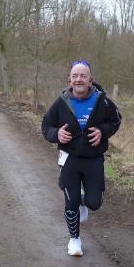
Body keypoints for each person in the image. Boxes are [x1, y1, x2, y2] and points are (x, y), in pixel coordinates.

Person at [41, 60, 121, 257]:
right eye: (75, 76)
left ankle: (84, 201)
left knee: (94, 203)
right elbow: (46, 126)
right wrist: (57, 134)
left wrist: (102, 131)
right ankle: (74, 240)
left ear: (90, 79)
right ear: (69, 80)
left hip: (94, 159)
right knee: (71, 201)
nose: (79, 79)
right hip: (69, 158)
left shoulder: (102, 101)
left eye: (83, 76)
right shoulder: (61, 102)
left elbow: (116, 120)